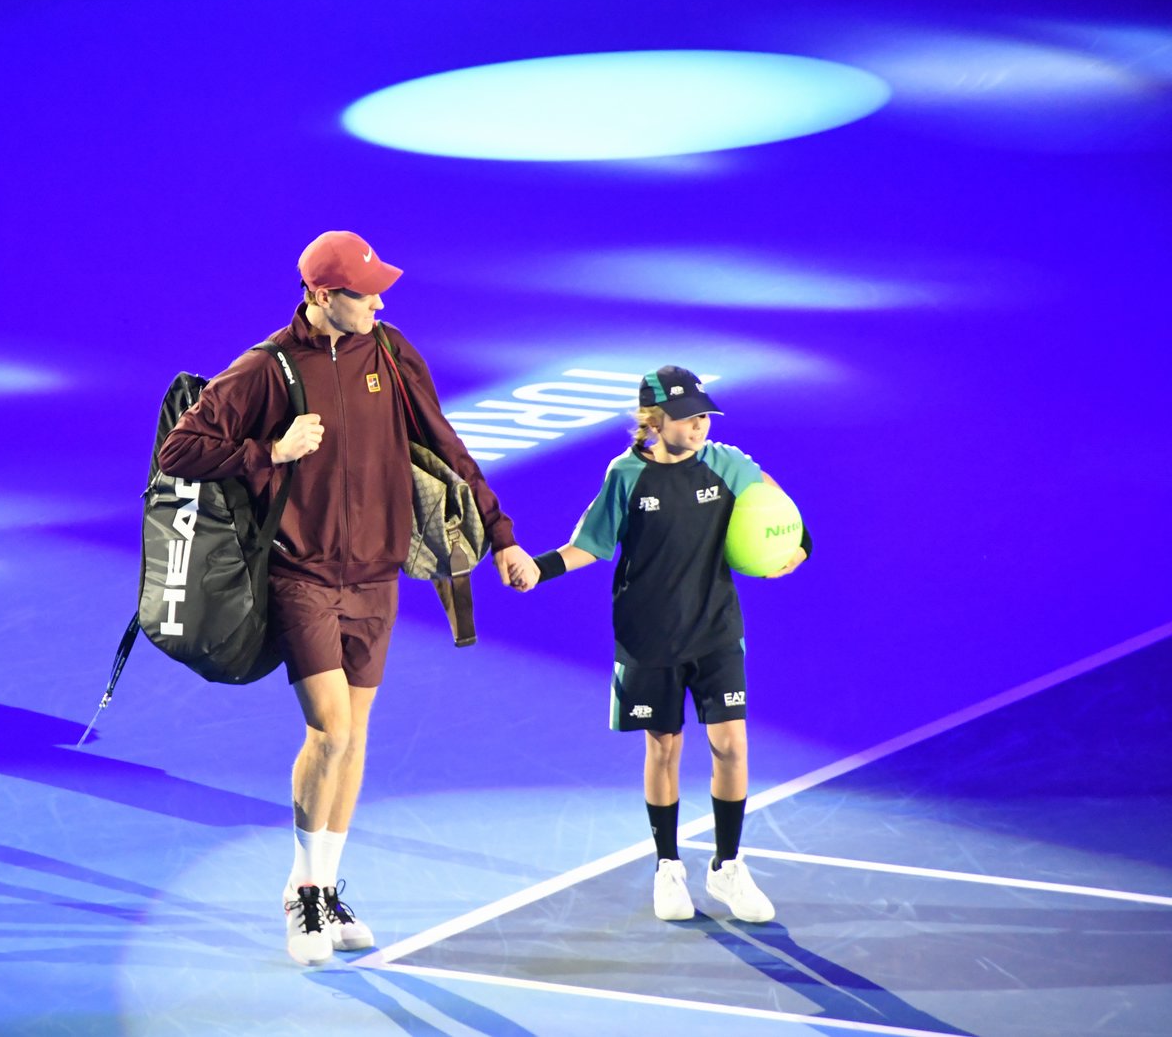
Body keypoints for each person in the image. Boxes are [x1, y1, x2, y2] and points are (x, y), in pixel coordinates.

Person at [157, 230, 533, 965]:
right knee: (329, 730)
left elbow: (447, 445)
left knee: (354, 737)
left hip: (376, 577)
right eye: (366, 293)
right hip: (301, 575)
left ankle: (324, 888)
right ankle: (301, 892)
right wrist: (271, 451)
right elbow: (181, 450)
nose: (379, 303)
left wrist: (502, 535)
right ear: (323, 296)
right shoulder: (267, 368)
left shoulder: (390, 352)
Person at [516, 366, 808, 923]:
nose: (699, 425)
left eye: (704, 415)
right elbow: (590, 544)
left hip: (716, 630)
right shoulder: (626, 474)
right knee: (663, 748)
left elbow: (778, 507)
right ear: (654, 421)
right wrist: (538, 568)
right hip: (648, 636)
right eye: (687, 417)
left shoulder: (727, 463)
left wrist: (799, 548)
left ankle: (727, 866)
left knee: (731, 745)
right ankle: (668, 866)